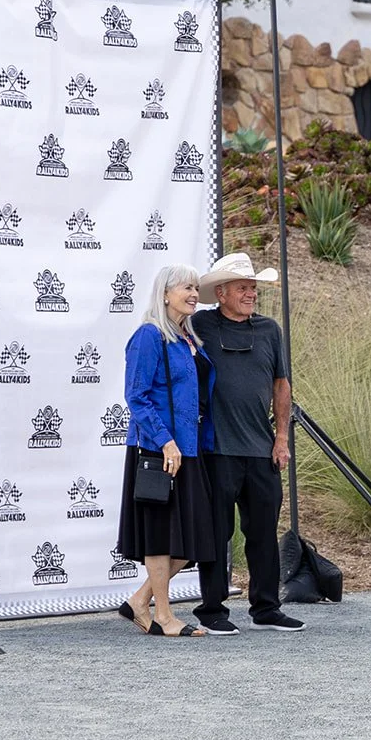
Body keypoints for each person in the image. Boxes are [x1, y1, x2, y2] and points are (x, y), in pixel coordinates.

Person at [190, 252, 304, 634]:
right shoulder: (200, 324)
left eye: (254, 288)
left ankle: (267, 609)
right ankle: (212, 610)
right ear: (220, 293)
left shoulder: (270, 329)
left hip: (262, 449)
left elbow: (281, 385)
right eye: (243, 288)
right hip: (217, 450)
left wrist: (282, 438)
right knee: (217, 531)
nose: (251, 294)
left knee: (262, 534)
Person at [116, 264, 216, 638]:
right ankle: (163, 615)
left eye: (195, 288)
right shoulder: (149, 336)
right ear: (165, 294)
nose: (194, 294)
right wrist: (165, 441)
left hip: (189, 450)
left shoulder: (186, 339)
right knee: (160, 535)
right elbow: (137, 397)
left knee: (195, 538)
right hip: (161, 451)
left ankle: (140, 602)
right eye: (187, 288)